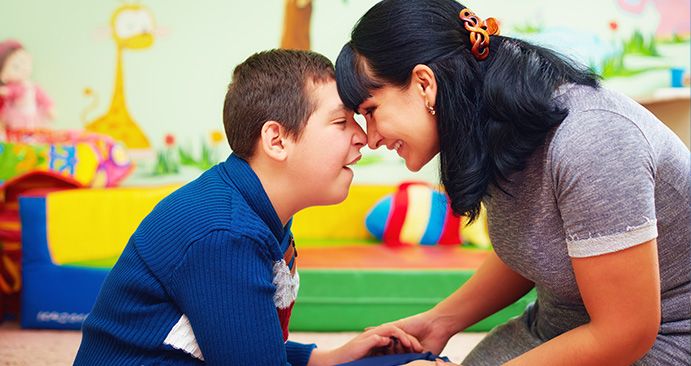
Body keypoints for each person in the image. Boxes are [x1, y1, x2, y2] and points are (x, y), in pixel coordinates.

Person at [335, 1, 691, 365]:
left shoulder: (591, 139)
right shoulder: (491, 121)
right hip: (559, 325)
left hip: (665, 340)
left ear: (425, 84)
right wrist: (438, 322)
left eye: (371, 111)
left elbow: (627, 332)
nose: (371, 138)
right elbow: (536, 243)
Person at [74, 49, 425, 365]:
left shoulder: (251, 213)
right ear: (276, 140)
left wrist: (328, 358)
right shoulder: (225, 233)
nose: (362, 136)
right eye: (340, 122)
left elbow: (235, 339)